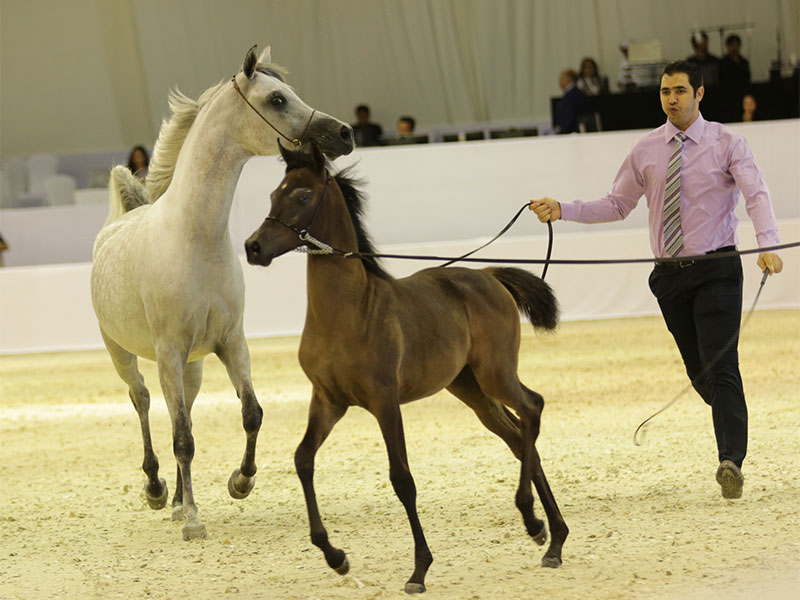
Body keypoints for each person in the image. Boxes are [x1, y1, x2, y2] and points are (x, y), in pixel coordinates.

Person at [530, 60, 783, 500]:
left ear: (699, 94)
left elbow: (756, 193)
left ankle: (730, 460)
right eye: (666, 91)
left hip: (717, 270)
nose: (672, 99)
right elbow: (617, 204)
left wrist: (768, 245)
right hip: (668, 278)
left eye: (681, 91)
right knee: (701, 371)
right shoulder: (646, 149)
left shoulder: (727, 142)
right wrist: (563, 208)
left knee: (721, 366)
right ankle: (730, 411)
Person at [555, 69, 593, 134]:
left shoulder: (569, 97)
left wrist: (562, 133)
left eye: (561, 79)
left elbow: (568, 119)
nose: (560, 82)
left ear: (568, 79)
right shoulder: (581, 94)